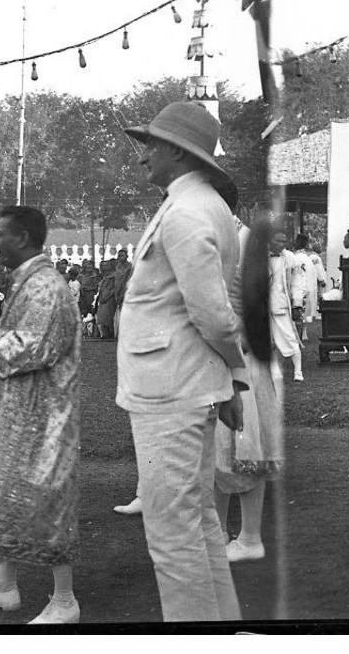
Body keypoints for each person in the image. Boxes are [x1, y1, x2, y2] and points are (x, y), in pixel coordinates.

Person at [115, 101, 246, 622]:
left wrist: (232, 372)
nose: (143, 155)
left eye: (149, 144)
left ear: (176, 150)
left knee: (173, 536)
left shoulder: (188, 211)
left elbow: (213, 314)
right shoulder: (198, 204)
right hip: (184, 385)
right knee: (198, 524)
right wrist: (231, 379)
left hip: (171, 393)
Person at [0, 204, 83, 625]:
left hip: (44, 415)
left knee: (45, 498)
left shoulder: (45, 286)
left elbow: (28, 349)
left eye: (1, 234)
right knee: (6, 494)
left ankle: (65, 600)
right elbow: (11, 345)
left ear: (23, 238)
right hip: (20, 409)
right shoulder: (27, 281)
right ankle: (5, 587)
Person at [217, 213, 287, 564]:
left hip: (238, 353)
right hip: (232, 351)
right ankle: (221, 534)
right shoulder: (229, 235)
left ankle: (248, 536)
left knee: (243, 446)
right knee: (222, 450)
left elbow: (240, 304)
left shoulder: (239, 240)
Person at [267, 229, 306, 382]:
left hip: (280, 302)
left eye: (284, 241)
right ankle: (274, 371)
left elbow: (297, 281)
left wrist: (297, 303)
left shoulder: (289, 257)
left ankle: (298, 371)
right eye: (278, 241)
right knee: (267, 339)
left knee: (290, 336)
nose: (282, 244)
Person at [292, 235, 327, 342]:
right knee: (303, 312)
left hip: (299, 288)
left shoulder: (296, 257)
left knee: (299, 312)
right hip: (307, 287)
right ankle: (303, 332)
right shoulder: (309, 258)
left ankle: (301, 333)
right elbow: (318, 273)